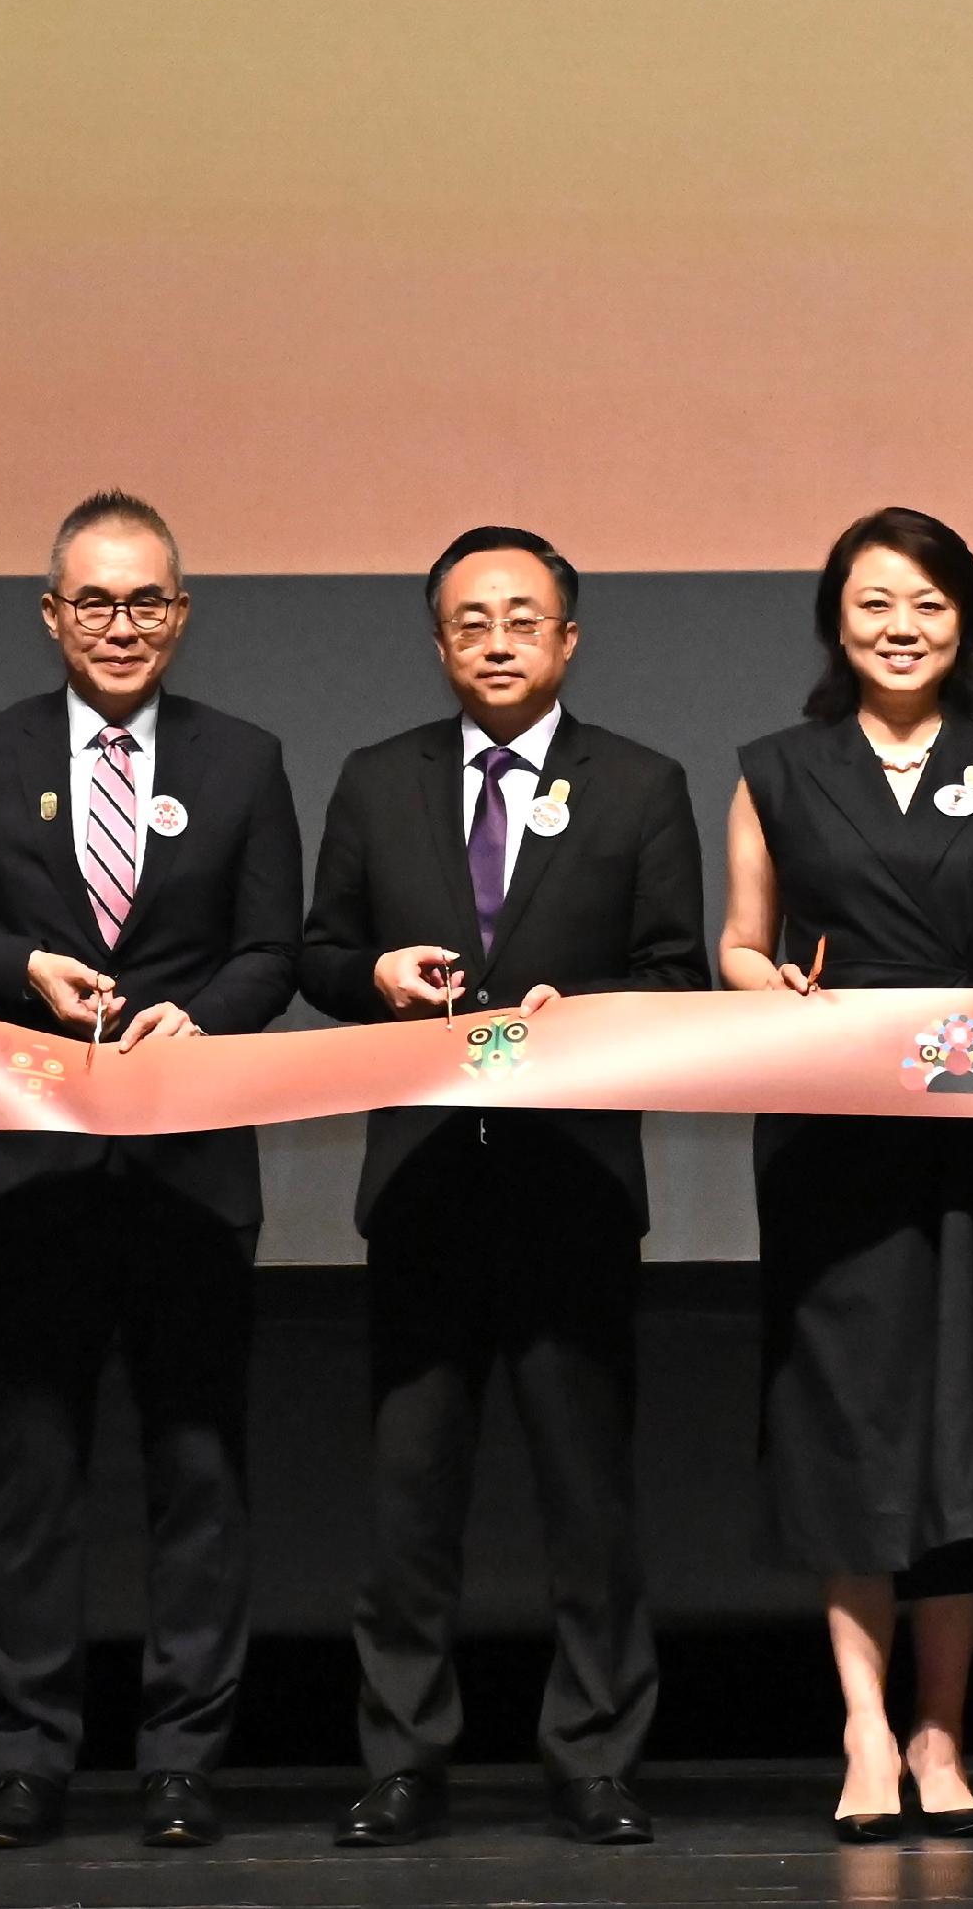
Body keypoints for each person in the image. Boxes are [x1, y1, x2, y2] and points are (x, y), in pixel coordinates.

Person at [0, 491, 302, 1852]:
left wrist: (205, 1017)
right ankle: (28, 1759)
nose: (121, 625)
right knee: (33, 1474)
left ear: (182, 612)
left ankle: (179, 1759)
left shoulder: (244, 757)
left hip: (191, 1169)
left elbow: (273, 951)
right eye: (94, 602)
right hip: (32, 1169)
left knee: (198, 1476)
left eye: (146, 600)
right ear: (52, 614)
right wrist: (16, 973)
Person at [300, 528, 705, 1850]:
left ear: (568, 638)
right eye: (469, 620)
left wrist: (576, 1011)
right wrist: (374, 979)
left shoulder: (641, 786)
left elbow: (676, 976)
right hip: (420, 1187)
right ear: (439, 642)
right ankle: (405, 1760)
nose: (496, 638)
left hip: (572, 1190)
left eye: (522, 617)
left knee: (588, 1500)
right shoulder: (376, 781)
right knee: (410, 1500)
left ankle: (593, 1757)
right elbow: (319, 953)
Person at [719, 506, 973, 1842]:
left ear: (963, 619)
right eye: (875, 602)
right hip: (832, 1144)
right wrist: (784, 1001)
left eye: (928, 602)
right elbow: (741, 949)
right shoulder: (774, 767)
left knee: (966, 1432)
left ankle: (943, 1733)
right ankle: (864, 1732)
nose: (902, 626)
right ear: (837, 619)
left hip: (972, 1139)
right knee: (850, 1434)